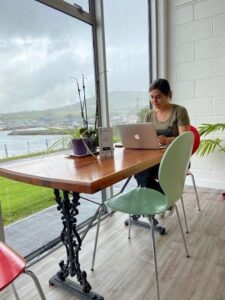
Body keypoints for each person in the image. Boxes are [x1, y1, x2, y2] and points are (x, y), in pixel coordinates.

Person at [134, 78, 190, 201]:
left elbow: (185, 140)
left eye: (158, 97)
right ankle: (165, 200)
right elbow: (143, 136)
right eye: (151, 97)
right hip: (154, 158)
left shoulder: (180, 111)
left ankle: (158, 202)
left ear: (168, 94)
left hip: (176, 158)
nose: (154, 101)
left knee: (142, 174)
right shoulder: (149, 115)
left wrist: (167, 140)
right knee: (139, 171)